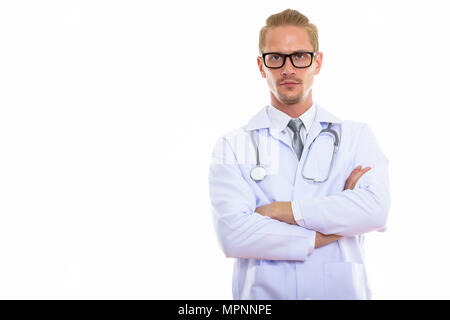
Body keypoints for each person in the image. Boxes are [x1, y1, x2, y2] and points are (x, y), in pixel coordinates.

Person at [208, 8, 390, 300]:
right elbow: (233, 235)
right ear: (261, 66)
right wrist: (333, 227)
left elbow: (375, 210)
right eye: (276, 57)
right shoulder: (232, 146)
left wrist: (283, 210)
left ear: (317, 62)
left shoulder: (356, 137)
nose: (288, 68)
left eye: (300, 56)